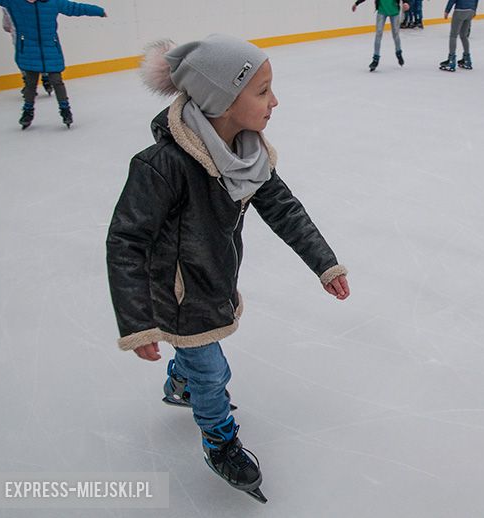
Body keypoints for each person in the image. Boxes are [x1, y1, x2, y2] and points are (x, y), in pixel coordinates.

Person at [106, 34, 351, 503]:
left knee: (200, 360)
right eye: (262, 91)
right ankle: (220, 439)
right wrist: (139, 323)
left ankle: (179, 382)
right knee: (212, 371)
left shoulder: (246, 155)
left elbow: (283, 208)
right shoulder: (163, 166)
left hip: (215, 278)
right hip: (178, 295)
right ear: (221, 99)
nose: (274, 101)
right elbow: (126, 241)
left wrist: (324, 263)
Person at [0, 0, 107, 129]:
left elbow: (75, 8)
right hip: (29, 50)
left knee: (57, 81)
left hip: (50, 48)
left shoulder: (53, 2)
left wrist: (98, 11)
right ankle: (28, 112)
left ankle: (65, 110)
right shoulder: (16, 3)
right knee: (30, 84)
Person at [1, 7, 53, 95]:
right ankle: (46, 78)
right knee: (40, 56)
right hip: (34, 36)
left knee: (24, 60)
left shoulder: (7, 5)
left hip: (19, 39)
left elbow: (6, 26)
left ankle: (29, 83)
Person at [352, 0, 411, 71]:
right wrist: (356, 3)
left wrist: (406, 2)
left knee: (395, 34)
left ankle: (399, 53)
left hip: (394, 11)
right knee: (378, 34)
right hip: (382, 11)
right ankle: (375, 59)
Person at [439, 0, 479, 72]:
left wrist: (447, 11)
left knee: (453, 36)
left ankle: (451, 60)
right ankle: (467, 60)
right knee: (464, 36)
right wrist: (474, 10)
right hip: (471, 11)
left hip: (460, 10)